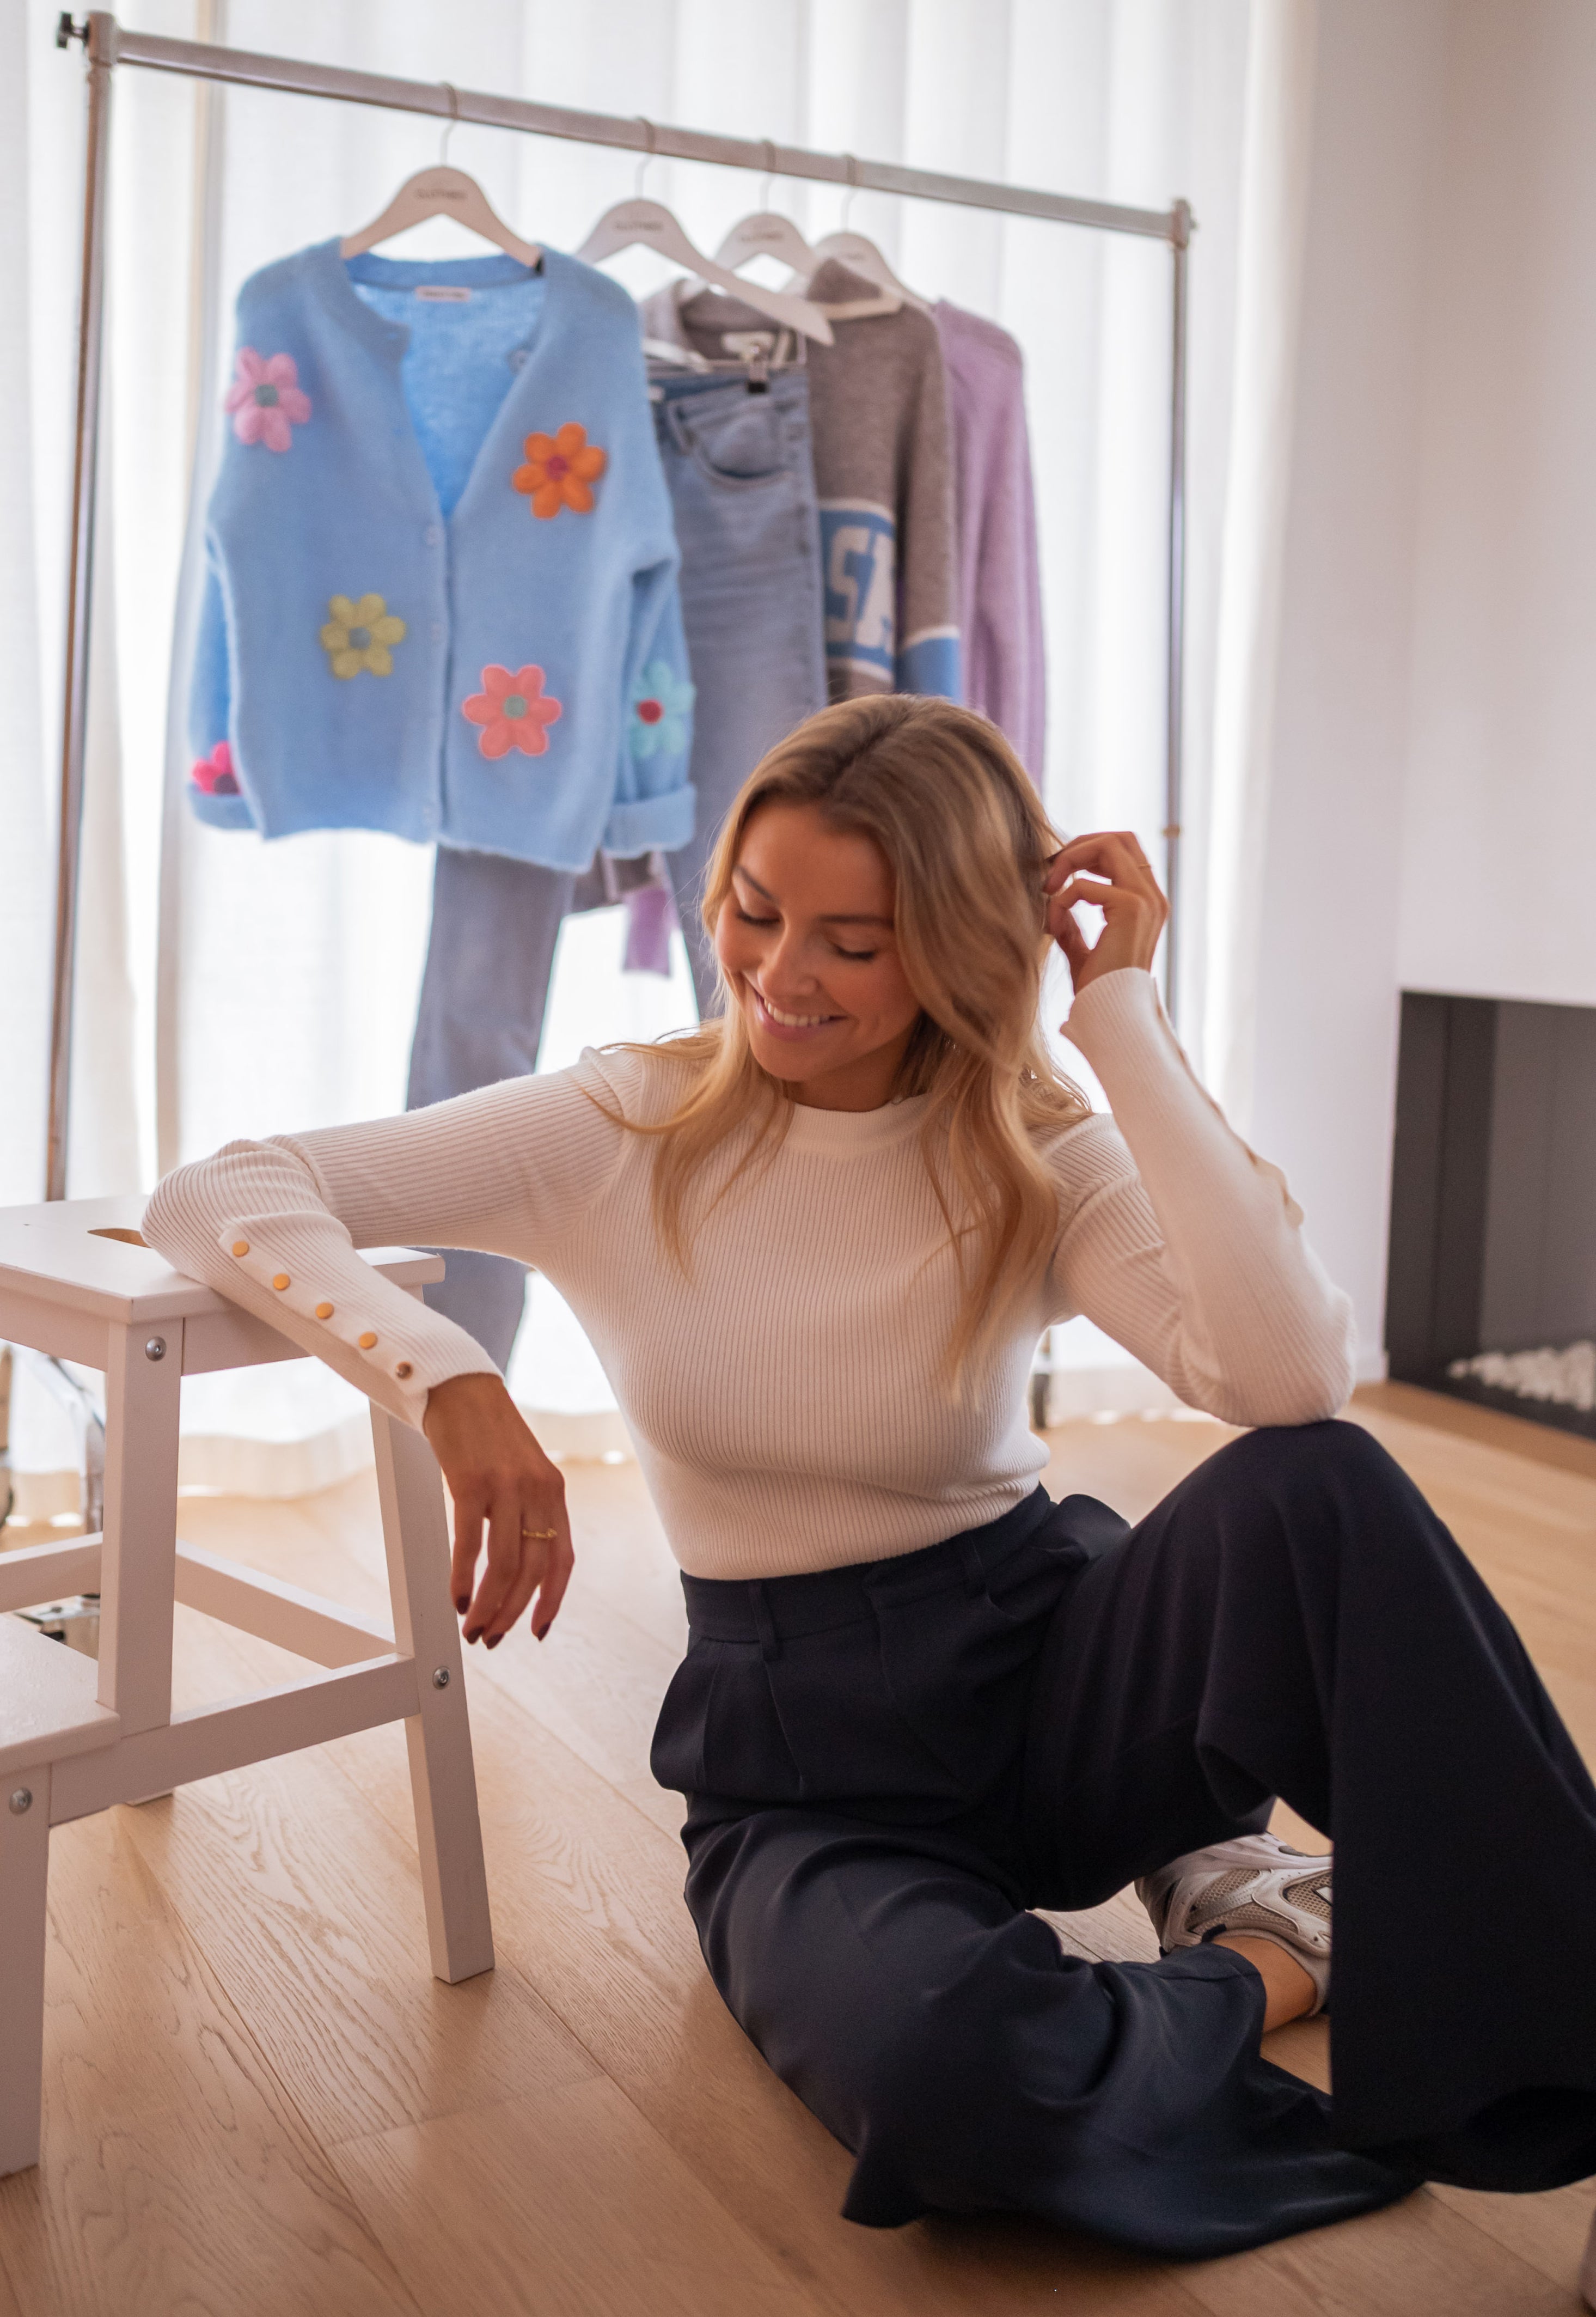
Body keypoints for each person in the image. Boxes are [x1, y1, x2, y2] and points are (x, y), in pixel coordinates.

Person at [145, 695, 1596, 2266]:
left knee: (1325, 1480)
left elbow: (1283, 1377)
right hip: (805, 1762)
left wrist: (1117, 1015)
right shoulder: (619, 1122)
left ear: (968, 947)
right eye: (756, 915)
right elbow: (223, 1186)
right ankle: (1273, 1945)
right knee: (946, 2077)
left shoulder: (1034, 1143)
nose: (782, 973)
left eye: (855, 938)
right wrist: (452, 1380)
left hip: (1058, 1670)